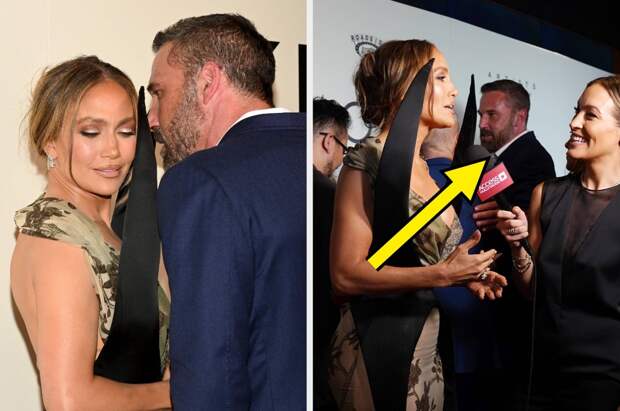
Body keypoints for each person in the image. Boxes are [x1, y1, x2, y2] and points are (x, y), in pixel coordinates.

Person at [328, 39, 507, 411]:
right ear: (406, 87)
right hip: (377, 350)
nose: (453, 90)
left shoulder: (425, 169)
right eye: (441, 77)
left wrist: (467, 276)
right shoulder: (367, 161)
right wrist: (443, 275)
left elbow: (419, 259)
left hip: (427, 349)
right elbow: (345, 275)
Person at [148, 14, 306, 410]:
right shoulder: (317, 156)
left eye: (159, 93)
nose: (152, 117)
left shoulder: (200, 181)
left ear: (207, 82)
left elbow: (211, 376)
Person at [10, 56, 171, 410]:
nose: (112, 150)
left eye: (126, 131)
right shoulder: (57, 238)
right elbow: (70, 401)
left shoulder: (118, 226)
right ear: (50, 141)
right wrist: (182, 391)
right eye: (91, 132)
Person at [491, 75, 620, 411]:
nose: (574, 122)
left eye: (590, 115)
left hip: (604, 385)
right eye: (576, 111)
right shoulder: (546, 194)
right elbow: (532, 290)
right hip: (536, 377)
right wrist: (518, 247)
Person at [473, 79, 556, 408]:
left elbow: (525, 228)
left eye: (491, 115)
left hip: (512, 309)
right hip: (488, 307)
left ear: (519, 117)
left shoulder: (534, 159)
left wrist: (499, 214)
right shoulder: (494, 161)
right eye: (480, 115)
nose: (482, 123)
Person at [422, 122, 503, 411]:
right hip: (472, 336)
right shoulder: (484, 189)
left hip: (419, 337)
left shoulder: (406, 184)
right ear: (459, 141)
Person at [312, 96, 351, 410]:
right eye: (344, 148)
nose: (341, 159)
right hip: (321, 332)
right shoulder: (330, 196)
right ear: (328, 141)